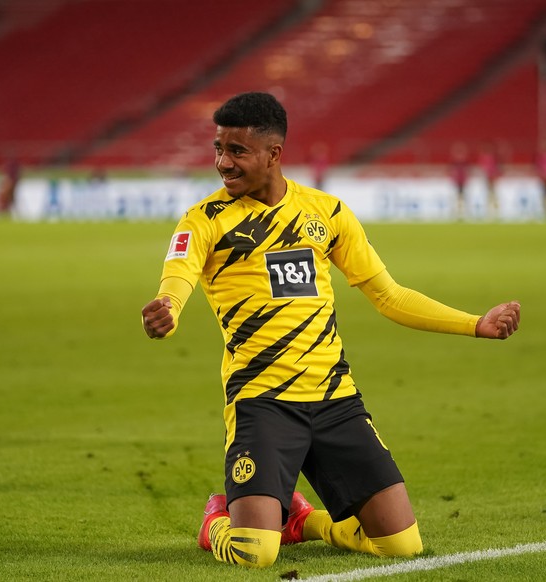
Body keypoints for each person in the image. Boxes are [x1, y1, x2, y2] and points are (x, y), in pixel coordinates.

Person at [141, 92, 521, 569]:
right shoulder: (206, 221)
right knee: (253, 553)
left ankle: (305, 522)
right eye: (218, 148)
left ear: (274, 155)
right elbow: (176, 280)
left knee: (402, 546)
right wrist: (169, 309)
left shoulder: (326, 213)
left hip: (334, 400)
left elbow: (389, 295)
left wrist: (474, 324)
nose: (223, 162)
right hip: (263, 403)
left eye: (237, 151)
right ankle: (216, 520)